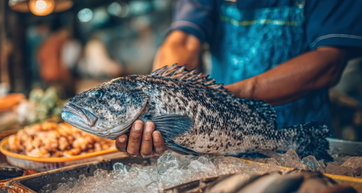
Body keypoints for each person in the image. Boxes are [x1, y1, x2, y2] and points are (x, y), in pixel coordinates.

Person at [115, 0, 362, 158]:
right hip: (217, 139)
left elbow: (329, 61)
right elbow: (183, 40)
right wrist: (161, 101)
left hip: (303, 137)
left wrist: (226, 99)